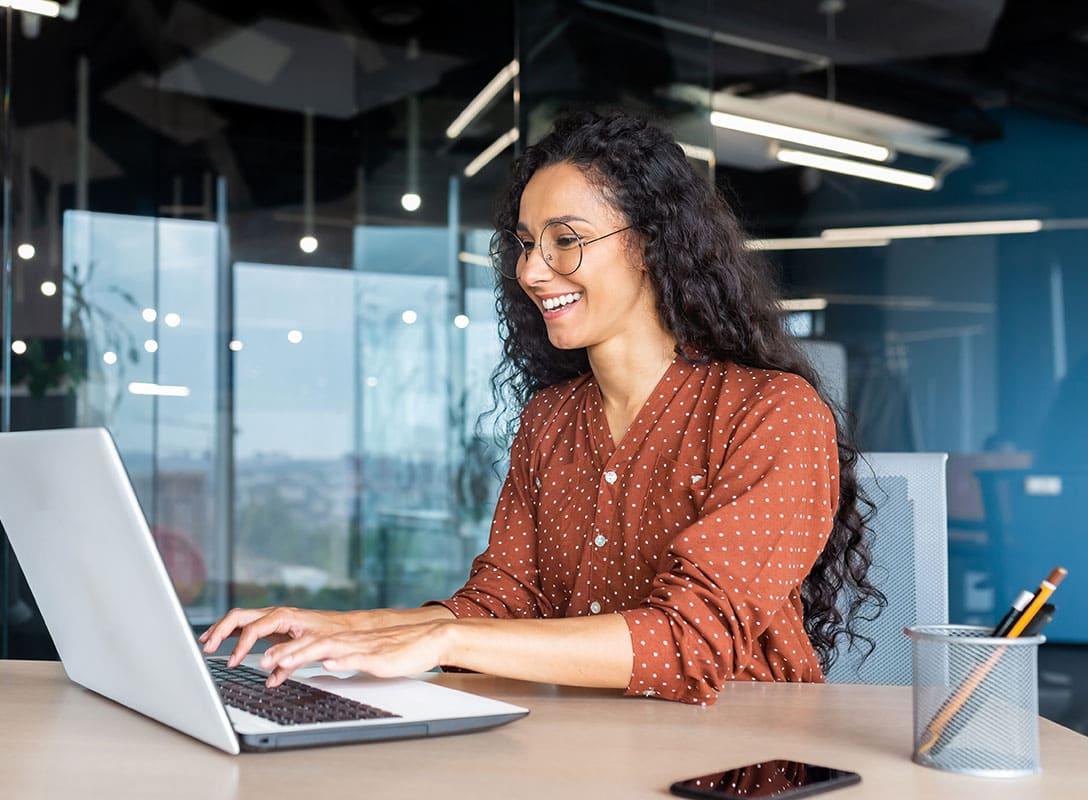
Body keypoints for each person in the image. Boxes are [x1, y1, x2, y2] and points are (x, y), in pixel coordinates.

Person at [200, 109, 881, 705]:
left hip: (743, 760)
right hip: (584, 743)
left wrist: (438, 639)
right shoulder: (553, 420)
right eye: (526, 243)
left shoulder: (773, 413)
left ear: (650, 243)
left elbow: (689, 640)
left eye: (565, 240)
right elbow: (501, 604)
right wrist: (341, 629)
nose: (530, 270)